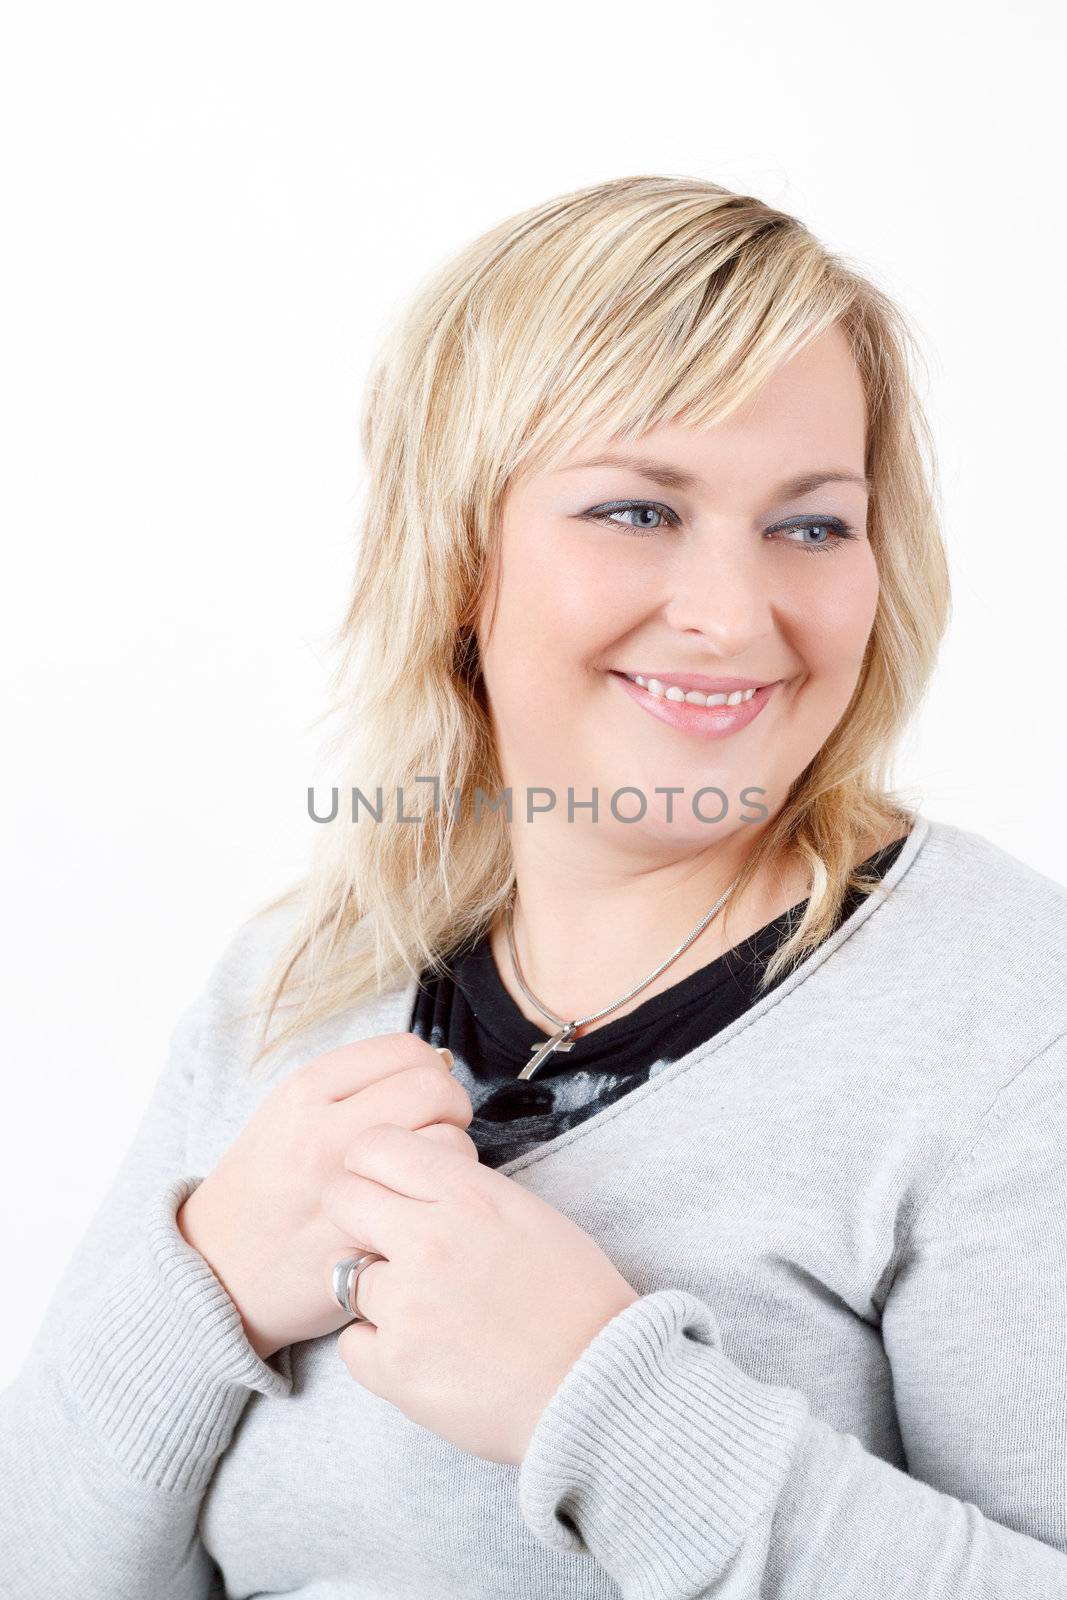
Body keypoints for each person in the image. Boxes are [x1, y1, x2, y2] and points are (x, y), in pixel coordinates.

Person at [3, 173, 1066, 1599]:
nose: (732, 616)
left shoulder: (1012, 1025)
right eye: (638, 510)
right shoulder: (293, 980)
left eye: (811, 525)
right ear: (458, 556)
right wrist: (206, 1281)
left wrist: (608, 1406)